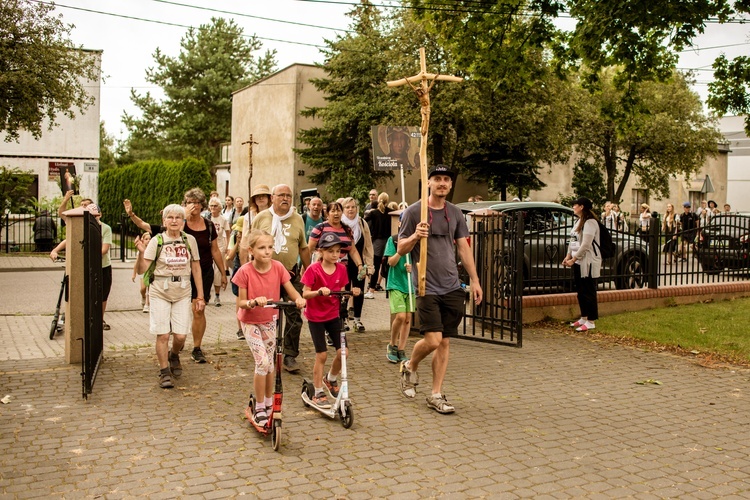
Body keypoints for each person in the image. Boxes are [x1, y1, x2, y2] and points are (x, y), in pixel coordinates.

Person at [397, 165, 483, 414]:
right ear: (429, 183)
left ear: (451, 185)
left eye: (446, 179)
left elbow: (463, 249)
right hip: (427, 286)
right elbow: (401, 248)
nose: (442, 183)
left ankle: (436, 394)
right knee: (433, 340)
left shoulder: (455, 213)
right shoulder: (414, 212)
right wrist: (415, 236)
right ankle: (410, 365)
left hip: (452, 286)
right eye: (437, 179)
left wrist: (474, 280)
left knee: (444, 342)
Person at [233, 229, 305, 425]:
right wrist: (253, 302)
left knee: (272, 364)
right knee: (262, 362)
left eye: (270, 247)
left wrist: (299, 300)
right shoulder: (245, 271)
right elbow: (241, 302)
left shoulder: (278, 267)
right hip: (250, 321)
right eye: (262, 248)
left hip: (270, 320)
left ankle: (267, 401)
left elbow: (290, 290)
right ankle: (259, 407)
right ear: (251, 250)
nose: (267, 251)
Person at [134, 204, 204, 389]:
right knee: (163, 334)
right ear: (164, 221)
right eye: (170, 217)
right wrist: (142, 252)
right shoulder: (156, 241)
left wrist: (200, 296)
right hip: (160, 290)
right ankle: (164, 371)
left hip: (183, 290)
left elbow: (196, 268)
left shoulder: (190, 240)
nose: (174, 221)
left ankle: (174, 355)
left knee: (180, 336)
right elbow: (143, 269)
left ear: (183, 221)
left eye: (178, 218)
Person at [251, 184, 311, 373]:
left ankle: (290, 355)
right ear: (273, 197)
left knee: (294, 313)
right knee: (266, 314)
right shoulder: (261, 218)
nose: (285, 198)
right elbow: (250, 244)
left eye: (288, 195)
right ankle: (265, 350)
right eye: (281, 195)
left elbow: (303, 247)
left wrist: (308, 271)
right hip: (265, 275)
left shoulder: (298, 219)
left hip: (291, 274)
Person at [301, 232, 360, 407]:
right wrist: (319, 291)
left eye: (338, 251)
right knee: (322, 354)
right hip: (316, 317)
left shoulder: (342, 269)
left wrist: (352, 292)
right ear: (321, 251)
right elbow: (304, 293)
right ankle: (318, 391)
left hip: (333, 315)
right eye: (331, 251)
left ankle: (331, 378)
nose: (335, 255)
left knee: (344, 353)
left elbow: (342, 292)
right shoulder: (314, 269)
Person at [48, 203, 112, 330]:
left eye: (96, 216)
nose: (94, 219)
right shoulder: (82, 227)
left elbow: (104, 249)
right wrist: (55, 250)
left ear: (100, 215)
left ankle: (100, 319)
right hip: (87, 266)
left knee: (103, 294)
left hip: (102, 266)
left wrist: (89, 254)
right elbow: (69, 239)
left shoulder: (105, 228)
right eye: (91, 216)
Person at [183, 188, 227, 363]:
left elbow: (215, 250)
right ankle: (176, 344)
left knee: (199, 310)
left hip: (205, 271)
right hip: (182, 273)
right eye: (189, 202)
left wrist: (223, 273)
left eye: (196, 202)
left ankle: (196, 347)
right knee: (178, 309)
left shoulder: (208, 225)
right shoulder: (180, 223)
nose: (192, 206)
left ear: (202, 205)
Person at [563, 197, 601, 333]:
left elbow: (586, 244)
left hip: (588, 262)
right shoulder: (579, 221)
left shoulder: (590, 222)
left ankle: (591, 320)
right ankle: (584, 317)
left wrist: (573, 259)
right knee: (581, 291)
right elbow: (573, 240)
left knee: (588, 291)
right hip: (578, 261)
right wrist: (568, 256)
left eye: (575, 205)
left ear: (582, 207)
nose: (573, 206)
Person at [341, 197, 374, 332]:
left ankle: (357, 320)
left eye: (353, 207)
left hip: (360, 264)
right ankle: (342, 320)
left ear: (357, 208)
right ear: (343, 209)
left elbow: (368, 246)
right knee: (344, 292)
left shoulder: (362, 223)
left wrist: (369, 266)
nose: (350, 209)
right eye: (347, 207)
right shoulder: (340, 224)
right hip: (343, 264)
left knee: (359, 291)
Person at [384, 222, 413, 364]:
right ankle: (392, 345)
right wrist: (400, 252)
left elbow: (421, 262)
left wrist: (413, 267)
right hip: (396, 283)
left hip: (410, 285)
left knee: (407, 318)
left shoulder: (417, 241)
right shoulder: (393, 240)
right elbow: (391, 262)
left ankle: (401, 349)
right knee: (400, 316)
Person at [364, 192, 392, 298]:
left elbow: (364, 221)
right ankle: (389, 291)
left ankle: (371, 290)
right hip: (389, 242)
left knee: (375, 266)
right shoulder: (391, 212)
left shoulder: (374, 213)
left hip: (377, 243)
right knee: (389, 266)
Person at [239, 184, 273, 266]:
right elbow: (244, 239)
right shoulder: (249, 216)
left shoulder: (274, 215)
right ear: (254, 199)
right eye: (258, 196)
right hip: (254, 255)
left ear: (269, 198)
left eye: (263, 196)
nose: (261, 198)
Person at [207, 196, 231, 306]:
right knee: (207, 270)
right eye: (211, 206)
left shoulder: (223, 219)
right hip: (207, 247)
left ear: (219, 208)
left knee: (217, 271)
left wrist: (228, 246)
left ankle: (217, 296)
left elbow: (228, 233)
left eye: (215, 206)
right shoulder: (206, 219)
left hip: (220, 246)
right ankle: (205, 294)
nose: (213, 208)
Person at [132, 232, 151, 313]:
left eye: (150, 239)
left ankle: (147, 305)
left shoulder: (153, 249)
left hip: (150, 271)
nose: (148, 241)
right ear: (143, 241)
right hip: (143, 271)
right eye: (146, 239)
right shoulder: (141, 250)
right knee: (143, 289)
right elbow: (137, 263)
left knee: (149, 289)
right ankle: (143, 296)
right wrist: (134, 273)